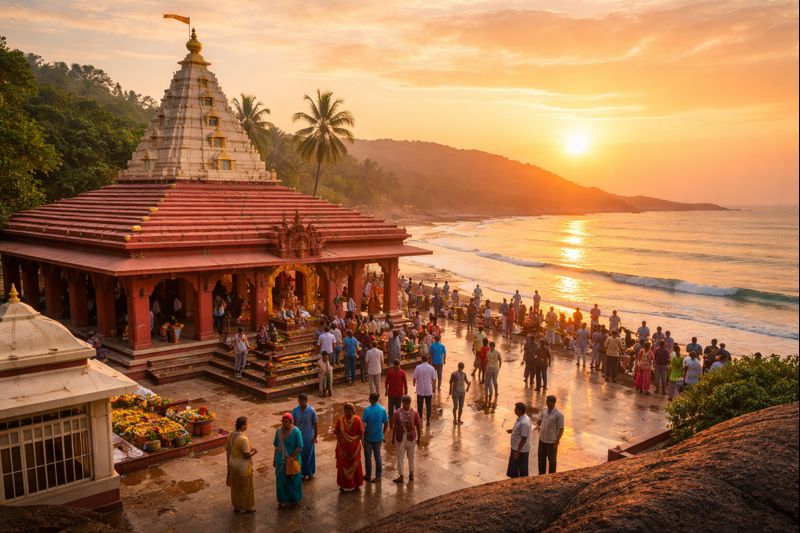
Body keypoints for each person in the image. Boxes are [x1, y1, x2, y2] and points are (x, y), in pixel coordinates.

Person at [226, 416, 257, 513]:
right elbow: (247, 455)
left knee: (235, 487)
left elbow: (228, 448)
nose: (247, 425)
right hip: (242, 468)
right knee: (245, 488)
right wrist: (254, 452)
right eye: (246, 424)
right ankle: (246, 507)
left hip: (232, 464)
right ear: (243, 426)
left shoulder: (231, 434)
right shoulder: (243, 439)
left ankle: (237, 507)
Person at [273, 412, 303, 508]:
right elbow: (276, 446)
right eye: (283, 421)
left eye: (286, 422)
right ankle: (283, 501)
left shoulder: (296, 431)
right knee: (281, 482)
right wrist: (274, 460)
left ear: (291, 422)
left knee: (293, 481)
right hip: (281, 461)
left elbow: (299, 447)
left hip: (292, 461)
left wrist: (291, 458)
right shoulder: (278, 431)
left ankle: (295, 501)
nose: (284, 423)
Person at [334, 403, 365, 491]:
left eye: (349, 410)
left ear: (353, 411)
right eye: (346, 410)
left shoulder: (357, 419)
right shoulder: (340, 420)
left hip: (354, 449)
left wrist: (359, 442)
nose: (347, 412)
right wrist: (341, 441)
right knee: (343, 466)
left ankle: (356, 484)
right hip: (343, 448)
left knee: (355, 465)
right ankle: (343, 485)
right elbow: (337, 432)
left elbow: (361, 433)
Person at [392, 395, 422, 483]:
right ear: (402, 403)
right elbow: (395, 426)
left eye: (407, 402)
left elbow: (418, 426)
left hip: (410, 438)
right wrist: (393, 438)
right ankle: (402, 475)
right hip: (401, 438)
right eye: (404, 402)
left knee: (410, 457)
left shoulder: (414, 413)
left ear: (409, 403)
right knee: (401, 457)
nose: (405, 404)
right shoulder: (397, 413)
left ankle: (411, 473)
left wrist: (419, 438)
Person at [361, 393, 389, 482]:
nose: (368, 399)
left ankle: (368, 475)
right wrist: (383, 433)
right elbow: (386, 423)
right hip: (378, 437)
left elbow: (363, 424)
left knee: (368, 457)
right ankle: (378, 476)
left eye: (369, 398)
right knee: (377, 456)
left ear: (371, 400)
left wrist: (362, 436)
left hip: (368, 437)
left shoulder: (367, 410)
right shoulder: (382, 409)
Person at [291, 394, 318, 480]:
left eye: (302, 401)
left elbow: (315, 424)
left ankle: (310, 473)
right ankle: (302, 473)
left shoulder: (311, 411)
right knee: (300, 456)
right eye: (299, 401)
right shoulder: (295, 411)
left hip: (309, 437)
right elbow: (293, 424)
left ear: (306, 401)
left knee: (309, 456)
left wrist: (315, 437)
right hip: (299, 437)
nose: (301, 403)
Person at [535, 395, 564, 475]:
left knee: (552, 461)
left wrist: (557, 441)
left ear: (554, 402)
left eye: (549, 401)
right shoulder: (544, 409)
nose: (547, 402)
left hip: (551, 442)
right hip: (542, 440)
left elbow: (561, 429)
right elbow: (540, 420)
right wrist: (538, 425)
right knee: (541, 459)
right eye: (547, 401)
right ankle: (541, 475)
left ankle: (552, 476)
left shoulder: (559, 415)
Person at [507, 402, 531, 478]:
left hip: (520, 450)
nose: (514, 410)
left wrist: (517, 451)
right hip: (516, 448)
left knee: (521, 469)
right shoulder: (521, 418)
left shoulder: (524, 422)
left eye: (516, 409)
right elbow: (520, 431)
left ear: (520, 410)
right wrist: (512, 430)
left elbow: (524, 438)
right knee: (514, 468)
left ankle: (521, 483)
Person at [413, 354, 437, 423]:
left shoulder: (418, 367)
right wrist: (434, 387)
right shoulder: (431, 368)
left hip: (420, 390)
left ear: (421, 360)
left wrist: (414, 383)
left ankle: (420, 419)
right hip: (428, 390)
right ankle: (428, 420)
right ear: (428, 360)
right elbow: (434, 379)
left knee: (420, 406)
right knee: (428, 406)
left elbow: (414, 377)